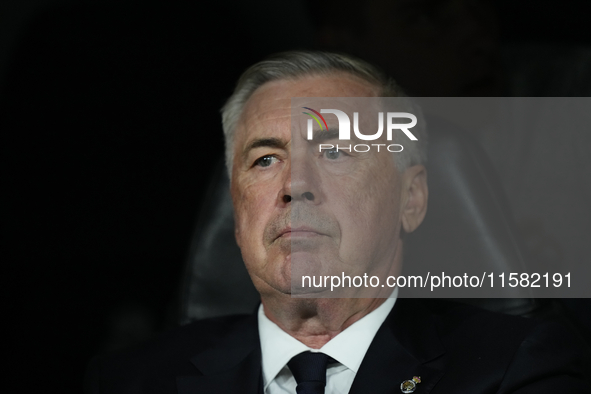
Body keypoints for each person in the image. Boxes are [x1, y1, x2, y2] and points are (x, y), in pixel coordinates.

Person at [85, 51, 589, 393]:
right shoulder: (129, 380)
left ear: (410, 200)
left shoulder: (519, 370)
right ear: (237, 214)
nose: (294, 183)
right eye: (264, 159)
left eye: (336, 151)